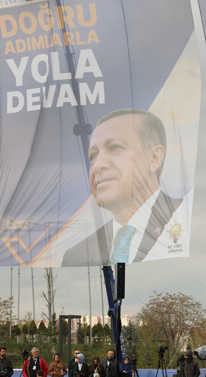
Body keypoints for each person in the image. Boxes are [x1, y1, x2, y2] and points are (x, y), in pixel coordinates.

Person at [62, 109, 185, 266]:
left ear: (154, 158)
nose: (97, 165)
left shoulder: (189, 223)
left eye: (115, 147)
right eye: (93, 155)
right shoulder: (75, 257)